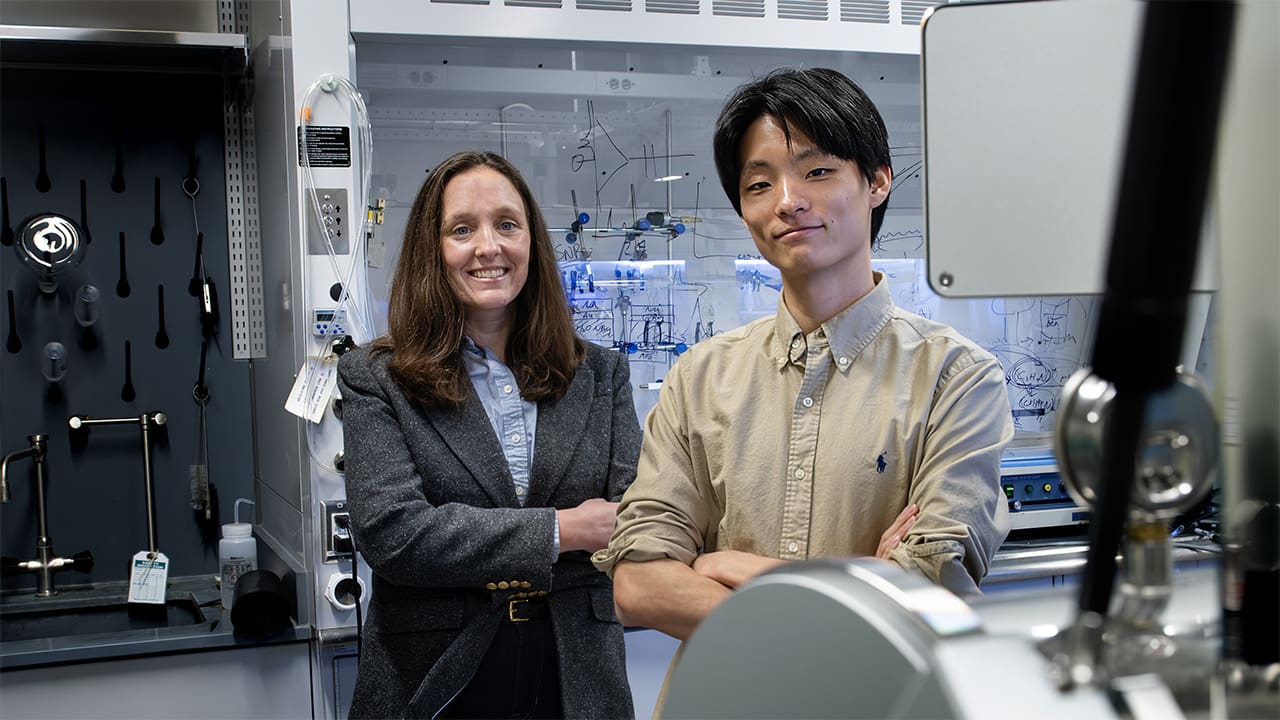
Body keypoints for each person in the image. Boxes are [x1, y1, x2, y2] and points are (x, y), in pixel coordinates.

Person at [592, 67, 1014, 641]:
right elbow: (638, 586)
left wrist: (733, 567)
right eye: (759, 184)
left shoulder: (954, 377)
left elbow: (932, 588)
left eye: (817, 171)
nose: (788, 202)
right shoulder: (701, 377)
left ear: (878, 182)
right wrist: (865, 581)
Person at [338, 151, 640, 719]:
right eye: (461, 229)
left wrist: (464, 539)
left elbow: (630, 518)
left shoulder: (600, 374)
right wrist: (564, 529)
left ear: (532, 242)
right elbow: (396, 535)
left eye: (507, 224)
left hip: (576, 672)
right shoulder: (378, 377)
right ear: (434, 251)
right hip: (436, 673)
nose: (488, 247)